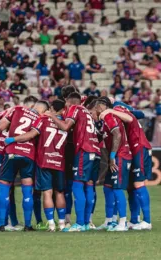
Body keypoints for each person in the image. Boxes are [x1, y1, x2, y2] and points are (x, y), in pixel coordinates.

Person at [6, 99, 68, 231]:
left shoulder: (43, 120)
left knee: (47, 192)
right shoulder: (66, 123)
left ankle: (51, 224)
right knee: (59, 193)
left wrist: (13, 139)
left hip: (44, 160)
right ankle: (62, 224)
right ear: (63, 110)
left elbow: (31, 134)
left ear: (50, 108)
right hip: (59, 161)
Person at [45, 92, 100, 232]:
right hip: (95, 150)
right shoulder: (86, 111)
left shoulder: (75, 108)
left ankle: (80, 224)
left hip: (84, 149)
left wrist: (51, 116)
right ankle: (87, 222)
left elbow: (65, 127)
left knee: (77, 185)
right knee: (88, 185)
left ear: (68, 103)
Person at [0, 99, 49, 231]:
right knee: (27, 191)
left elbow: (1, 126)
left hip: (12, 153)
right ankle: (28, 225)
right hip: (28, 156)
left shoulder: (17, 109)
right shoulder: (41, 118)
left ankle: (1, 224)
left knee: (4, 188)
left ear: (33, 106)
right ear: (44, 110)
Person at [99, 103, 152, 231]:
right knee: (131, 187)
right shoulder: (121, 112)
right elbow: (139, 114)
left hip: (139, 146)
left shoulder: (117, 109)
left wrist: (111, 109)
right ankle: (134, 220)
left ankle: (147, 221)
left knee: (139, 184)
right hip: (132, 150)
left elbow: (130, 118)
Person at [93, 97, 132, 232]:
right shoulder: (106, 118)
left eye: (96, 106)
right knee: (108, 188)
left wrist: (112, 156)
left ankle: (123, 222)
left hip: (120, 156)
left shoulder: (109, 116)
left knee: (117, 189)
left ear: (101, 106)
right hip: (117, 156)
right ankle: (110, 221)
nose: (96, 109)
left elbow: (117, 134)